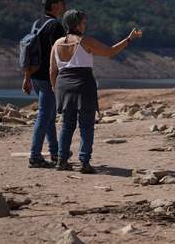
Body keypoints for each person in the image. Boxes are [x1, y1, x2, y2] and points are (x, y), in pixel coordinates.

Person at [50, 9, 142, 173]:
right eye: (84, 22)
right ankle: (84, 162)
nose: (85, 25)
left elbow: (52, 70)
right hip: (83, 84)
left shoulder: (57, 44)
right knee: (86, 125)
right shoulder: (85, 41)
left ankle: (61, 161)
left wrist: (54, 88)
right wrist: (129, 39)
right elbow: (110, 52)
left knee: (67, 125)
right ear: (76, 24)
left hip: (63, 85)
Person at [22, 0, 68, 168]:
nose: (65, 6)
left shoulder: (37, 24)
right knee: (44, 115)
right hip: (48, 77)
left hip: (35, 77)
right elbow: (59, 54)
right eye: (63, 3)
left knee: (48, 116)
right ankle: (35, 156)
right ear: (55, 5)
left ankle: (55, 152)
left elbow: (29, 53)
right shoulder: (55, 26)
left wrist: (26, 78)